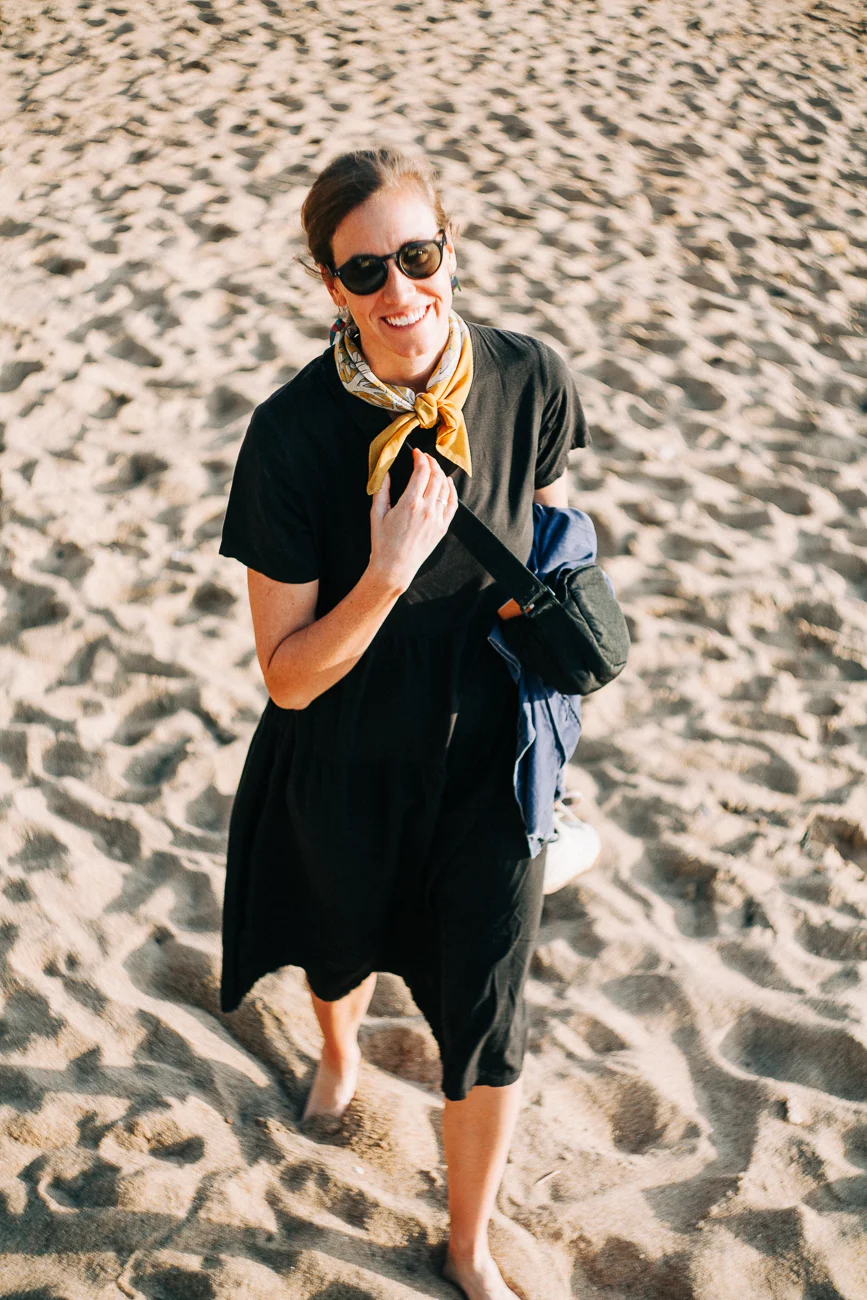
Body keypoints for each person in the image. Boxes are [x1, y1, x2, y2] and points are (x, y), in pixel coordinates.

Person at [218, 146, 587, 1300]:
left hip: (487, 766)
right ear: (331, 285)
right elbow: (285, 679)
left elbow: (556, 531)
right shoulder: (288, 436)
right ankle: (337, 1053)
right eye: (364, 270)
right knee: (339, 943)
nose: (399, 294)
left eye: (417, 257)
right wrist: (385, 573)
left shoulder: (531, 377)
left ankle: (467, 1242)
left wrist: (559, 733)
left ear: (451, 250)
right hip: (343, 756)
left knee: (488, 1018)